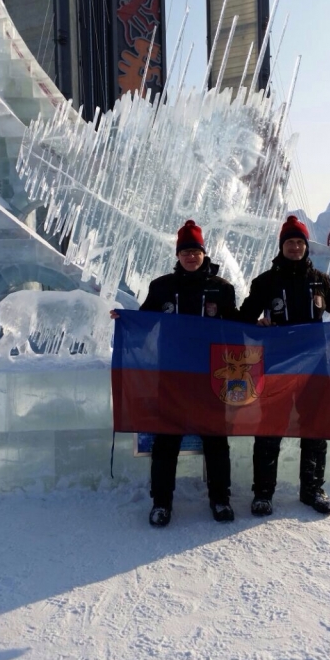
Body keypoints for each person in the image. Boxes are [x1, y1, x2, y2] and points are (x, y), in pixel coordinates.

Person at [240, 215, 330, 516]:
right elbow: (242, 318)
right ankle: (263, 494)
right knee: (269, 429)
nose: (295, 247)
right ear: (281, 246)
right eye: (290, 242)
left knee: (314, 427)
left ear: (306, 246)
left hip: (314, 366)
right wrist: (256, 323)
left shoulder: (319, 280)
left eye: (299, 242)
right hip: (277, 366)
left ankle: (312, 490)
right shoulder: (266, 282)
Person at [113, 219, 237, 527]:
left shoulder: (222, 290)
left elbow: (236, 325)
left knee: (216, 441)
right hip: (171, 377)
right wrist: (125, 320)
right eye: (186, 252)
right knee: (166, 442)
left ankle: (220, 499)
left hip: (212, 376)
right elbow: (144, 322)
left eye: (196, 251)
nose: (191, 257)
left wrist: (259, 326)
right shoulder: (162, 287)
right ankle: (161, 503)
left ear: (204, 253)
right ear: (178, 255)